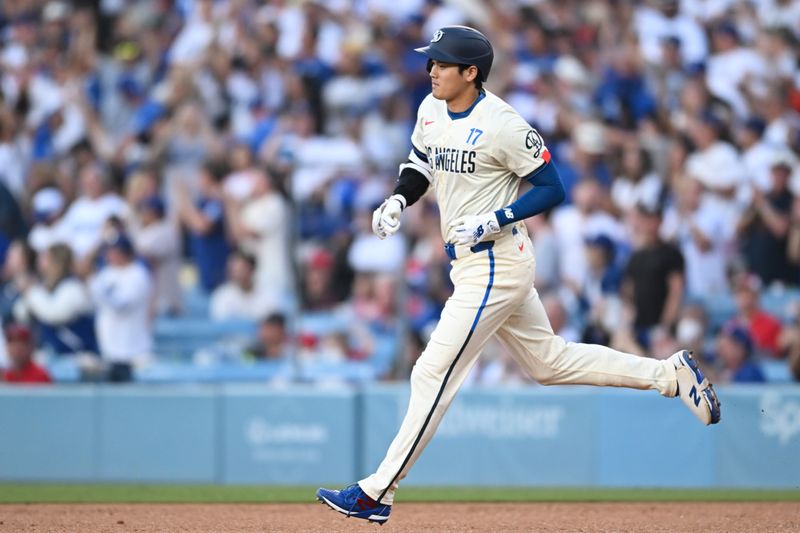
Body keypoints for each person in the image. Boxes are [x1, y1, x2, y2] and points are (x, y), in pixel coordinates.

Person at [316, 26, 721, 525]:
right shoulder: (430, 108)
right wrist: (399, 196)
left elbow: (552, 187)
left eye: (442, 63)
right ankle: (669, 374)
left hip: (496, 259)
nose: (432, 70)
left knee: (431, 372)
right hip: (471, 261)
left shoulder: (503, 123)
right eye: (432, 61)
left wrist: (496, 218)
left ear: (471, 72)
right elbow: (420, 162)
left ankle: (378, 491)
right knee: (549, 363)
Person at [88, 231, 153, 382]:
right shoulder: (106, 273)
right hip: (109, 350)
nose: (109, 255)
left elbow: (122, 305)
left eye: (114, 251)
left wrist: (98, 291)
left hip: (133, 353)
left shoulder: (138, 274)